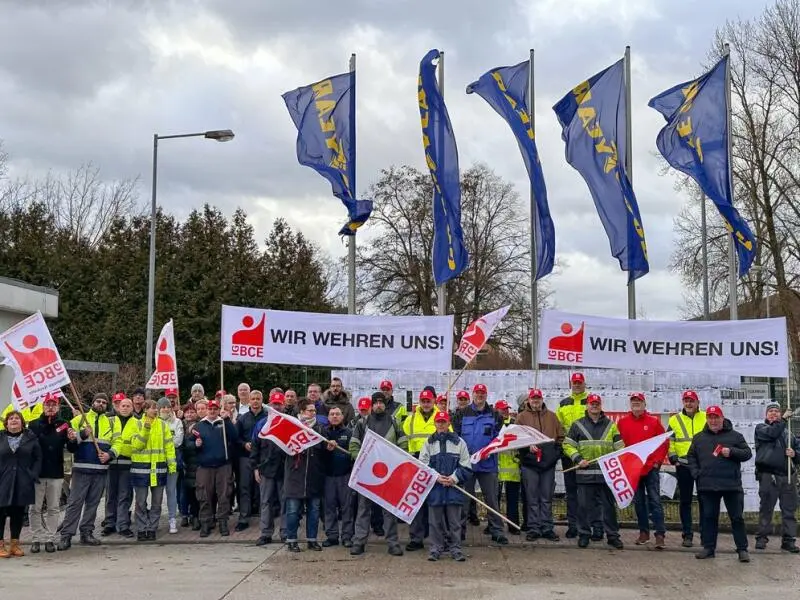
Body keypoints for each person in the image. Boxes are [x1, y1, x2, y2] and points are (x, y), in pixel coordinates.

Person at [688, 405, 752, 562]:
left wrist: (732, 452)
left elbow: (747, 454)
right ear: (707, 419)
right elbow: (691, 457)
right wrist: (697, 474)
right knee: (709, 517)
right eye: (710, 417)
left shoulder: (735, 436)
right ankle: (709, 548)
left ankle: (742, 549)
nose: (713, 420)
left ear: (722, 419)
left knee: (737, 518)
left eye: (716, 417)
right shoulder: (698, 438)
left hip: (731, 485)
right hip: (708, 486)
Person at [59, 393, 122, 550]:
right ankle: (66, 535)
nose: (100, 404)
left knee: (93, 504)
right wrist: (81, 434)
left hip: (101, 471)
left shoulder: (112, 423)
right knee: (74, 503)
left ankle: (86, 533)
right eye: (97, 401)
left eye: (103, 402)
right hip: (81, 470)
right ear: (92, 403)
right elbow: (69, 446)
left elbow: (118, 442)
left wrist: (110, 454)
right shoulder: (78, 420)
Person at [349, 391, 408, 556]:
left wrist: (399, 462)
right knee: (363, 509)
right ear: (371, 405)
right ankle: (359, 542)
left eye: (381, 402)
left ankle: (393, 543)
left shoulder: (394, 422)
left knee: (389, 511)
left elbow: (404, 444)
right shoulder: (362, 423)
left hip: (389, 475)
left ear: (385, 404)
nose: (379, 405)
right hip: (367, 474)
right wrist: (359, 459)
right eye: (376, 402)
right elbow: (353, 445)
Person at [562, 393, 624, 550]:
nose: (594, 405)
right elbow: (567, 445)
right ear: (587, 406)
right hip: (585, 472)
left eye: (597, 403)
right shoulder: (577, 425)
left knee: (609, 507)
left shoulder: (611, 425)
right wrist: (577, 459)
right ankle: (584, 534)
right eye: (592, 403)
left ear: (600, 405)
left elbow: (620, 447)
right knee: (583, 506)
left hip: (606, 474)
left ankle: (612, 536)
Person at [452, 383, 508, 545]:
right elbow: (456, 439)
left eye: (482, 393)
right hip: (467, 464)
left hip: (488, 464)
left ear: (486, 395)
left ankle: (496, 531)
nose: (480, 395)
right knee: (463, 500)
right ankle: (459, 532)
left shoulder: (495, 415)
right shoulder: (461, 414)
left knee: (492, 500)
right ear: (473, 394)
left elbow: (500, 439)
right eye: (477, 392)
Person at [419, 411, 472, 562]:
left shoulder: (459, 442)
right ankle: (435, 549)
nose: (441, 424)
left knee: (455, 522)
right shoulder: (428, 442)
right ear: (435, 424)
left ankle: (455, 548)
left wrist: (454, 478)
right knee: (434, 522)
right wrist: (436, 477)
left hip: (454, 488)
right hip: (435, 488)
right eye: (438, 422)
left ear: (449, 424)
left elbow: (466, 465)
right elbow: (422, 465)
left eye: (444, 422)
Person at [617, 392, 668, 549]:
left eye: (639, 401)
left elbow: (664, 442)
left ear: (645, 404)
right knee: (639, 502)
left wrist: (657, 462)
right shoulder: (622, 423)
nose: (636, 403)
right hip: (633, 470)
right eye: (633, 401)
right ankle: (644, 532)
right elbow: (618, 445)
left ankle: (660, 534)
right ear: (630, 404)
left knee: (655, 501)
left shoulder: (654, 422)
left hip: (650, 468)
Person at [28, 396, 77, 553]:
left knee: (53, 508)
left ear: (58, 406)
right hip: (37, 472)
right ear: (43, 406)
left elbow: (71, 448)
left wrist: (72, 439)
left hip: (56, 472)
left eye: (53, 405)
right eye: (47, 405)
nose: (50, 407)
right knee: (34, 508)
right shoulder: (34, 424)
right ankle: (36, 538)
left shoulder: (64, 424)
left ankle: (50, 538)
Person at [515, 388, 563, 542]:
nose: (535, 401)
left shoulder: (552, 417)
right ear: (528, 400)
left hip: (548, 464)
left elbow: (561, 437)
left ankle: (547, 527)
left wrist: (555, 454)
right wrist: (527, 446)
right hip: (529, 463)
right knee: (532, 497)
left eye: (538, 398)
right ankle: (534, 528)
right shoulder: (521, 417)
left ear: (542, 399)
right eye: (533, 398)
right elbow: (515, 438)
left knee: (546, 497)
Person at [754, 402, 800, 552]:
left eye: (776, 411)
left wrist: (795, 454)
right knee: (766, 508)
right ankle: (761, 538)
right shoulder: (761, 429)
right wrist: (783, 421)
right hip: (768, 475)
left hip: (787, 476)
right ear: (766, 415)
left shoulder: (789, 433)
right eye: (770, 411)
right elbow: (772, 433)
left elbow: (798, 453)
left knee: (789, 510)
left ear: (780, 414)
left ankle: (789, 540)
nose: (773, 413)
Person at [284, 398, 326, 552]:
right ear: (301, 412)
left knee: (314, 511)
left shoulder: (320, 429)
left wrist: (328, 447)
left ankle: (312, 539)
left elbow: (324, 453)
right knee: (293, 511)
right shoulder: (292, 428)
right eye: (310, 410)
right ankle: (291, 539)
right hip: (295, 476)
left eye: (314, 410)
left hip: (314, 477)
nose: (313, 413)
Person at [130, 399, 176, 541]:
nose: (155, 410)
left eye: (156, 408)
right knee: (141, 502)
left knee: (157, 502)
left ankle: (152, 528)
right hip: (140, 470)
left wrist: (172, 465)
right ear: (145, 410)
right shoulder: (136, 424)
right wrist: (146, 428)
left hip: (159, 468)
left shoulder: (163, 425)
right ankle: (142, 529)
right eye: (152, 408)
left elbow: (169, 446)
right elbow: (137, 446)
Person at [556, 372, 594, 539]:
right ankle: (573, 526)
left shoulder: (592, 401)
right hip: (569, 454)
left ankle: (588, 525)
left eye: (580, 382)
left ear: (584, 383)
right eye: (575, 382)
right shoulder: (563, 403)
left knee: (588, 492)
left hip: (587, 454)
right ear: (571, 384)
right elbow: (558, 426)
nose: (577, 385)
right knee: (571, 491)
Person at [193, 398, 238, 537]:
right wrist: (196, 444)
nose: (212, 411)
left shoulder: (223, 423)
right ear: (206, 410)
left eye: (215, 409)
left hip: (223, 466)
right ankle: (206, 523)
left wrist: (227, 420)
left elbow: (235, 437)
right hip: (205, 467)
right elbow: (189, 445)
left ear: (218, 410)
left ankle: (223, 522)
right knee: (204, 496)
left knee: (224, 495)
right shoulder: (199, 425)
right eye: (210, 409)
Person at [667, 389, 707, 547]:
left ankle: (706, 533)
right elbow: (669, 440)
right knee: (685, 501)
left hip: (703, 465)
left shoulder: (705, 417)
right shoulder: (674, 419)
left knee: (705, 501)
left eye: (692, 400)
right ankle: (687, 534)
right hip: (683, 465)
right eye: (686, 401)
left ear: (698, 402)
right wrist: (673, 458)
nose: (689, 403)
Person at [0, 410, 42, 558]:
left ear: (22, 422)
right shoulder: (0, 437)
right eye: (11, 418)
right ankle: (0, 545)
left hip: (22, 480)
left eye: (17, 418)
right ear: (6, 423)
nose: (14, 420)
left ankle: (14, 544)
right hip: (3, 480)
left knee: (18, 513)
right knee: (1, 513)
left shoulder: (30, 438)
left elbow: (38, 458)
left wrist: (33, 474)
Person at [403, 388, 441, 550]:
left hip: (436, 464)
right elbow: (404, 442)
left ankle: (436, 539)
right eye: (423, 401)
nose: (426, 404)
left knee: (434, 504)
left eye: (429, 401)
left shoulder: (442, 418)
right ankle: (416, 538)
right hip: (416, 465)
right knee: (416, 504)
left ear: (434, 401)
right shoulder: (410, 420)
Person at [252, 391, 288, 546]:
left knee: (285, 502)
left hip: (284, 470)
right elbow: (255, 447)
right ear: (270, 404)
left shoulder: (290, 424)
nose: (277, 407)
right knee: (265, 502)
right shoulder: (261, 424)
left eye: (279, 404)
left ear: (284, 405)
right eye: (274, 404)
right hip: (265, 470)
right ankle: (266, 533)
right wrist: (255, 468)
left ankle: (286, 533)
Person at [102, 397, 137, 538]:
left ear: (132, 408)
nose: (125, 408)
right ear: (118, 407)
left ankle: (123, 525)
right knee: (111, 495)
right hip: (111, 462)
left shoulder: (137, 423)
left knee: (124, 495)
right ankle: (110, 523)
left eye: (128, 405)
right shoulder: (111, 421)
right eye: (123, 405)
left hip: (128, 464)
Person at [322, 406, 354, 548]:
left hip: (345, 476)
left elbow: (353, 454)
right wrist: (326, 450)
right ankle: (332, 536)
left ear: (342, 416)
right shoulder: (323, 433)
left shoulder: (349, 433)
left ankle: (347, 536)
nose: (335, 416)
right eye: (332, 414)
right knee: (329, 508)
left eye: (337, 414)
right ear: (328, 417)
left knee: (346, 508)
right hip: (328, 477)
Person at [235, 389, 265, 532]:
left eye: (258, 399)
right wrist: (243, 444)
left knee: (263, 488)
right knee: (244, 487)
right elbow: (236, 437)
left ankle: (264, 519)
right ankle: (244, 518)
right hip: (246, 458)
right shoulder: (242, 418)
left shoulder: (268, 417)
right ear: (249, 400)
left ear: (262, 400)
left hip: (263, 458)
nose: (255, 401)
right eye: (252, 399)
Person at [495, 400, 522, 535]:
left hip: (512, 468)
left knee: (512, 500)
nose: (505, 411)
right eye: (502, 409)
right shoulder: (494, 424)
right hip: (497, 468)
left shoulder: (515, 423)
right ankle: (494, 525)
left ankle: (514, 525)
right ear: (496, 410)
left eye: (506, 409)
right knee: (495, 500)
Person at [157, 396, 183, 534]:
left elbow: (178, 441)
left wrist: (164, 442)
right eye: (163, 407)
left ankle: (172, 519)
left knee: (171, 491)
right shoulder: (155, 422)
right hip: (157, 462)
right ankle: (156, 518)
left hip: (173, 462)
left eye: (168, 406)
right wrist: (168, 441)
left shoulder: (177, 422)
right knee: (157, 492)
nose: (166, 409)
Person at [181, 402, 202, 530]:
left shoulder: (199, 426)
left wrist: (194, 444)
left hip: (196, 463)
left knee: (195, 492)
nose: (190, 414)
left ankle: (196, 516)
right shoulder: (179, 425)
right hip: (184, 464)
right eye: (187, 412)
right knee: (185, 493)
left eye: (192, 411)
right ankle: (185, 515)